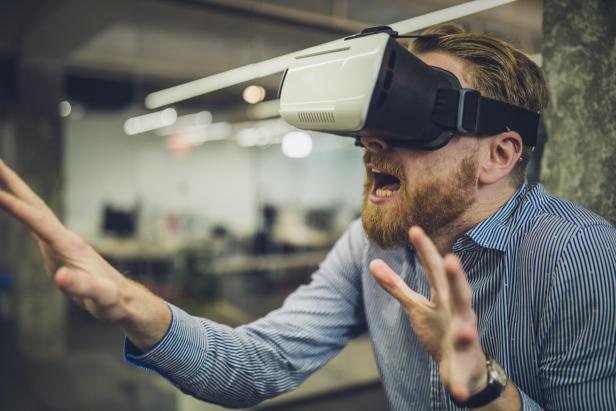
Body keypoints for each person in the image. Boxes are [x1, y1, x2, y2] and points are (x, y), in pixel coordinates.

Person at [0, 24, 614, 410]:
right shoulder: (371, 247)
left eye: (411, 120)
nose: (371, 144)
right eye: (372, 122)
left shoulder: (583, 260)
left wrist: (483, 389)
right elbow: (256, 366)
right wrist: (137, 307)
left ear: (499, 155)